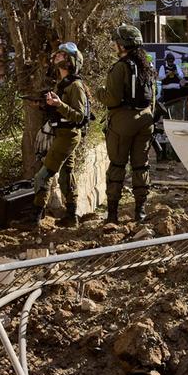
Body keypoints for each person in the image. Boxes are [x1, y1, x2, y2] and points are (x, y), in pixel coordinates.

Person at [102, 24, 155, 225]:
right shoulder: (146, 65)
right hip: (146, 120)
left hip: (123, 121)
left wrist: (99, 92)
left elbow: (112, 99)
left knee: (117, 165)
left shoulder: (120, 67)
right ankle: (140, 212)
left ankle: (112, 215)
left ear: (122, 45)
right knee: (141, 166)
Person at [34, 42, 91, 227]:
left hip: (68, 135)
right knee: (67, 174)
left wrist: (59, 105)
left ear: (71, 61)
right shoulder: (63, 84)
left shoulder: (75, 85)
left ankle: (35, 218)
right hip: (62, 133)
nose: (57, 56)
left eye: (62, 55)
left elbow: (80, 116)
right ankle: (71, 216)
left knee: (43, 175)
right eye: (57, 54)